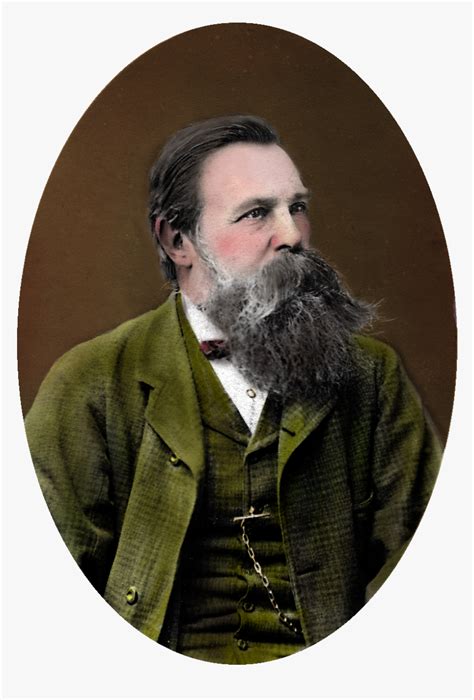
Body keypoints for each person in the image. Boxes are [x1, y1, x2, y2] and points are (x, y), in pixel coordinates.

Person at [25, 114, 441, 665]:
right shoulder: (92, 382)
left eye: (297, 207)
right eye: (256, 213)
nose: (292, 234)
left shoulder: (372, 376)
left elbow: (425, 573)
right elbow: (40, 598)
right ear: (178, 240)